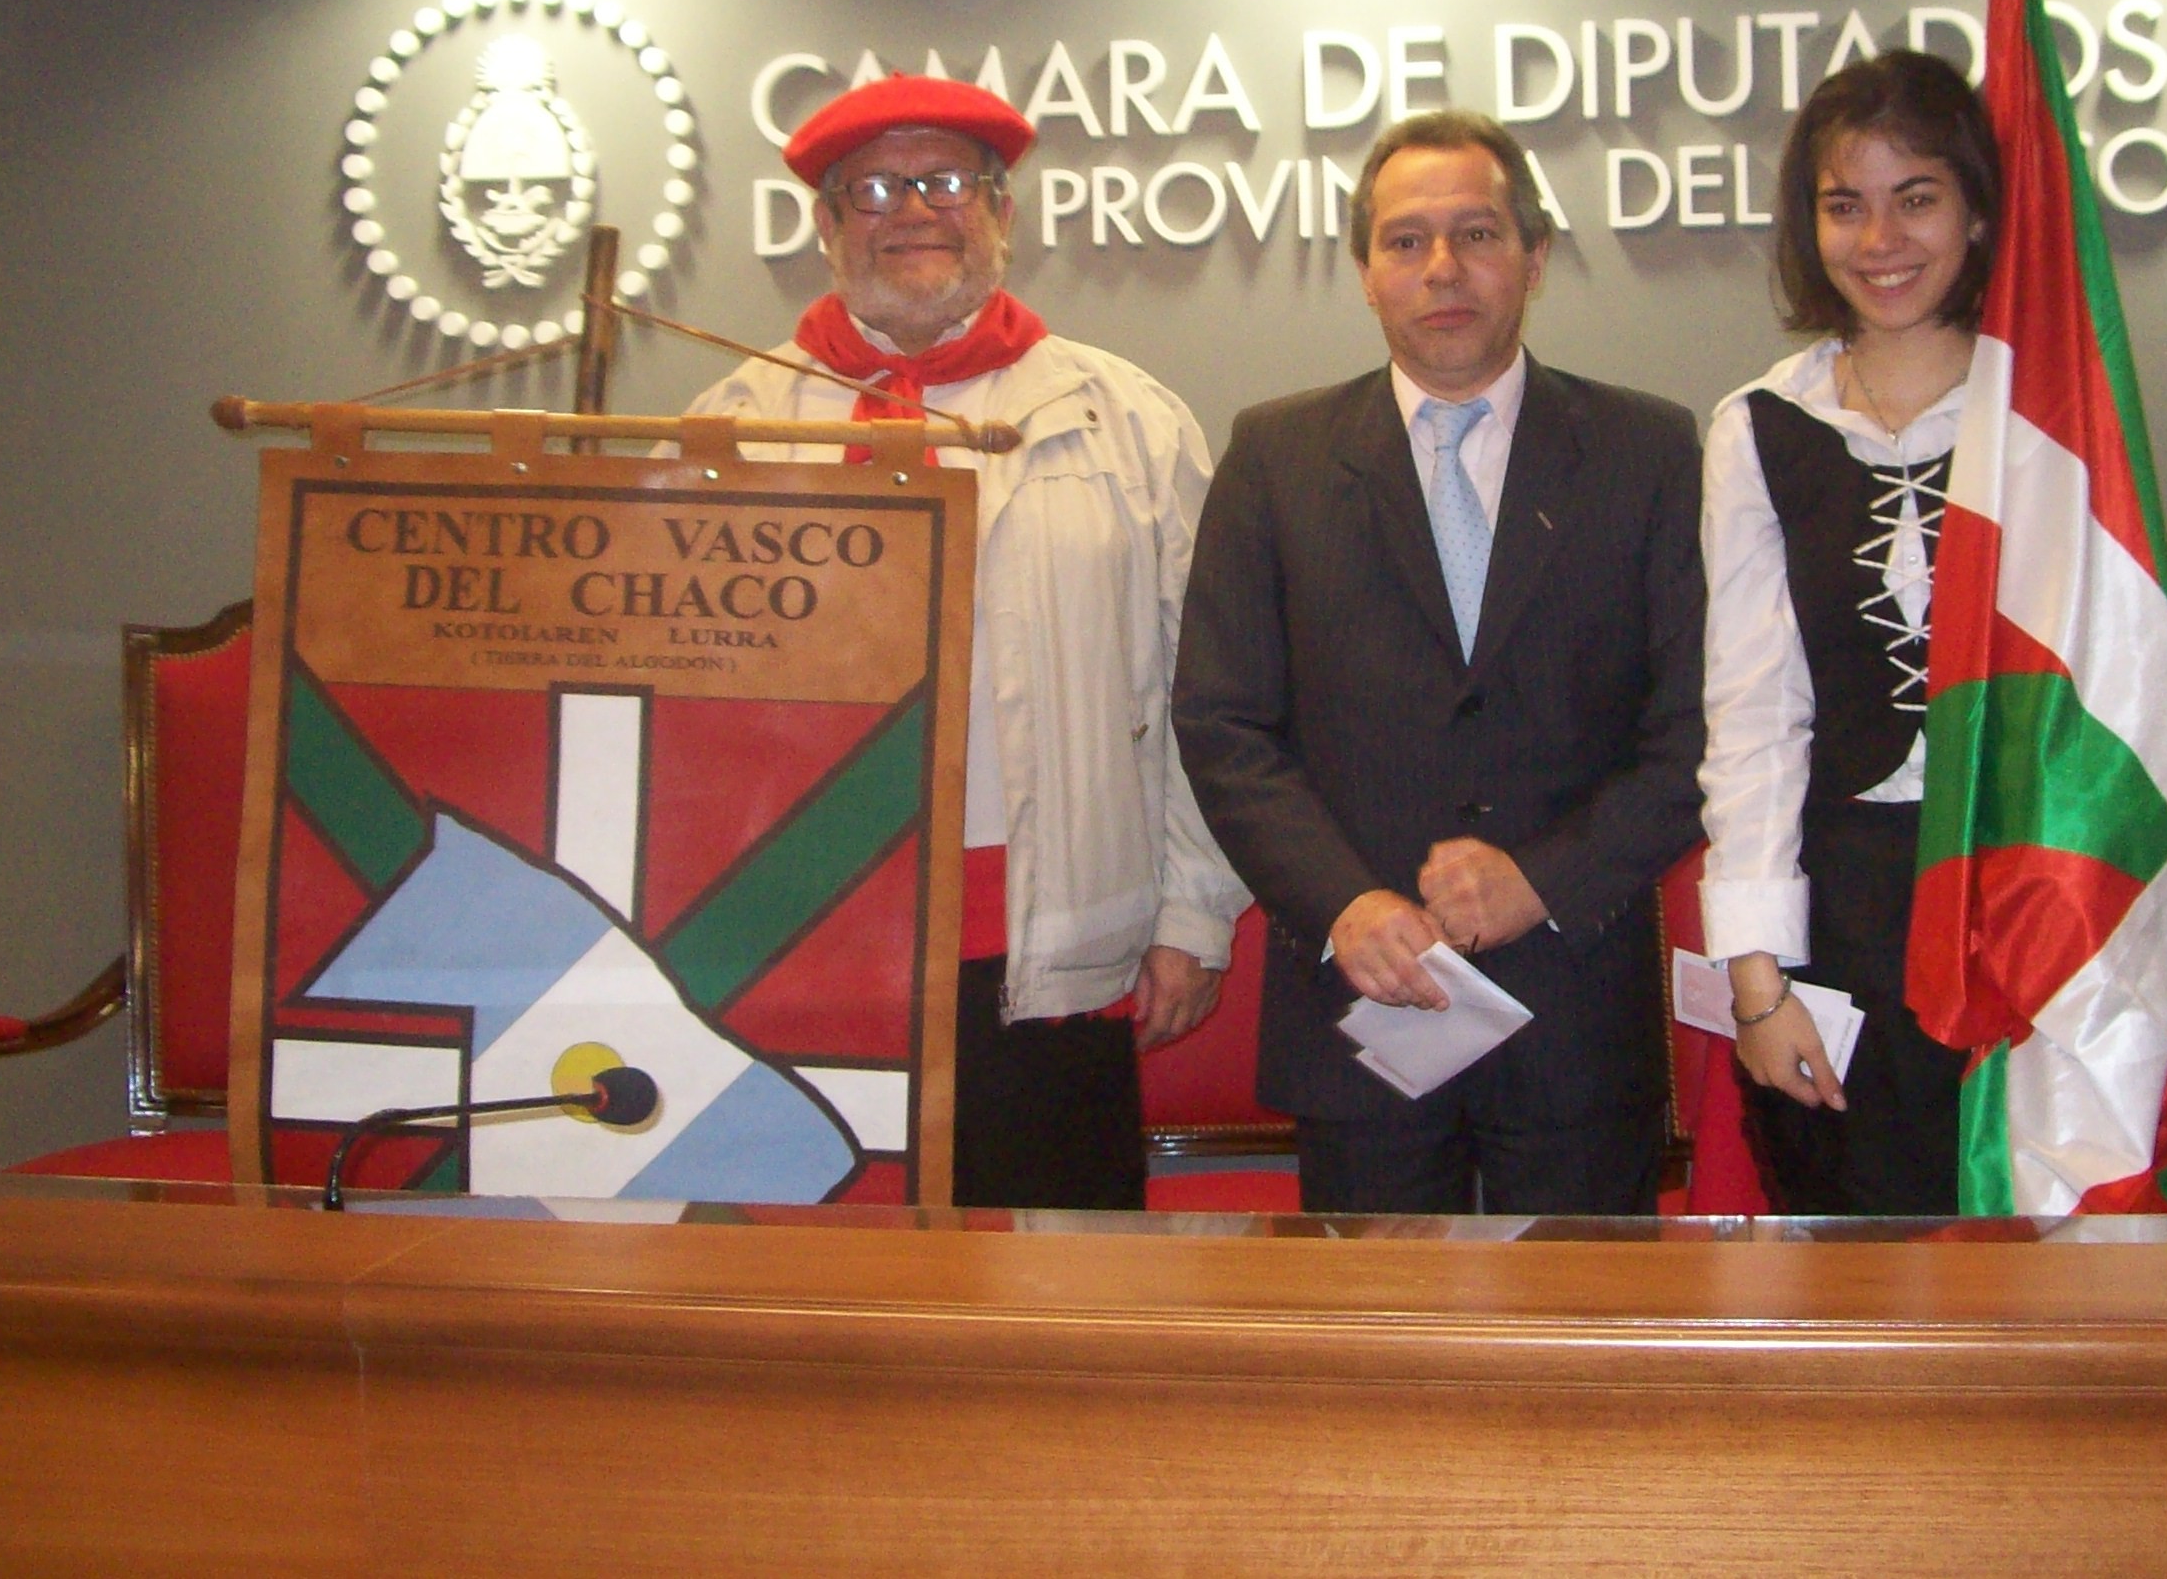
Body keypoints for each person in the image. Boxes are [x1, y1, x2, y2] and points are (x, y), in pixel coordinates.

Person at [685, 73, 1249, 1209]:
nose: (912, 210)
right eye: (874, 188)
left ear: (1000, 210)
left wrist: (1195, 911)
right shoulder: (724, 430)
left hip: (1046, 950)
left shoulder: (1127, 417)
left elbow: (1212, 691)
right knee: (828, 1319)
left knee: (1055, 1309)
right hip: (804, 943)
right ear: (826, 224)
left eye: (944, 181)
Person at [1173, 109, 1704, 1215]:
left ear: (1536, 259)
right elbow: (1223, 724)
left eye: (1478, 233)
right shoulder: (1274, 457)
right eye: (1406, 241)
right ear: (1365, 274)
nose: (1443, 268)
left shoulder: (1648, 451)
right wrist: (1342, 905)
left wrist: (1543, 880)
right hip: (1364, 1018)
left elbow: (1695, 729)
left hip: (1576, 1022)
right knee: (1371, 1362)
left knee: (1581, 1360)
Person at [1698, 49, 2000, 1215]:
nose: (1880, 237)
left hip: (2020, 889)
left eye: (1915, 196)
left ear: (1974, 209)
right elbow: (1754, 713)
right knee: (1860, 1258)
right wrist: (1759, 981)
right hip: (1843, 904)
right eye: (1844, 204)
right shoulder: (1759, 427)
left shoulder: (2045, 411)